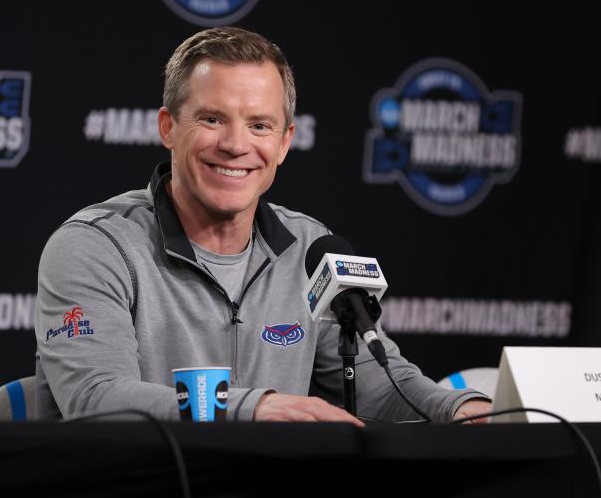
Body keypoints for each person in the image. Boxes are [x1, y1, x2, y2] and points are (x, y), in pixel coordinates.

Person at [34, 26, 491, 424]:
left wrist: (461, 409)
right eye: (212, 119)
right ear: (169, 127)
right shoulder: (95, 246)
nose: (236, 145)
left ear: (284, 142)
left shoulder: (310, 247)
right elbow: (97, 400)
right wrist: (254, 408)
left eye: (259, 125)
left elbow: (379, 381)